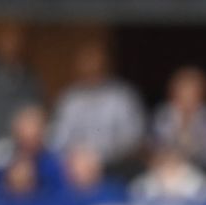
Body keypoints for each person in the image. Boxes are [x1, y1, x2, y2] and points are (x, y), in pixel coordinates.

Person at [50, 41, 146, 171]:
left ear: (105, 65)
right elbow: (59, 139)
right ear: (79, 68)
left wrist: (101, 157)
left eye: (96, 64)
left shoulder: (122, 95)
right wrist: (79, 157)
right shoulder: (70, 99)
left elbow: (132, 137)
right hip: (77, 166)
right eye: (87, 65)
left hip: (114, 164)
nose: (91, 69)